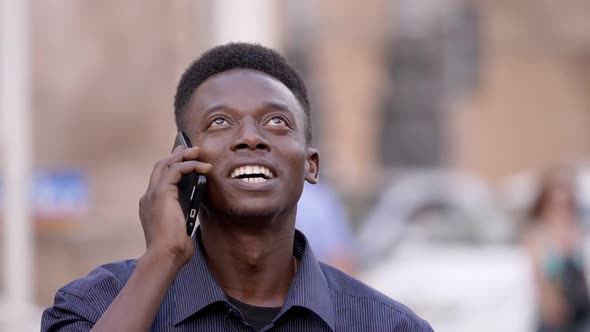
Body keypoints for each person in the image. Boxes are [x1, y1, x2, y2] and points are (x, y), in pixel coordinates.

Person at [41, 43, 433, 332]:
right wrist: (161, 257)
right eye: (219, 122)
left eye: (277, 122)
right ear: (182, 160)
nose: (250, 138)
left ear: (311, 165)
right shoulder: (94, 305)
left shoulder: (388, 325)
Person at [524, 168, 590, 332]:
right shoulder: (538, 233)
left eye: (566, 204)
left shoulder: (578, 230)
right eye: (555, 204)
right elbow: (538, 273)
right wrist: (549, 300)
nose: (561, 210)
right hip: (553, 313)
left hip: (581, 308)